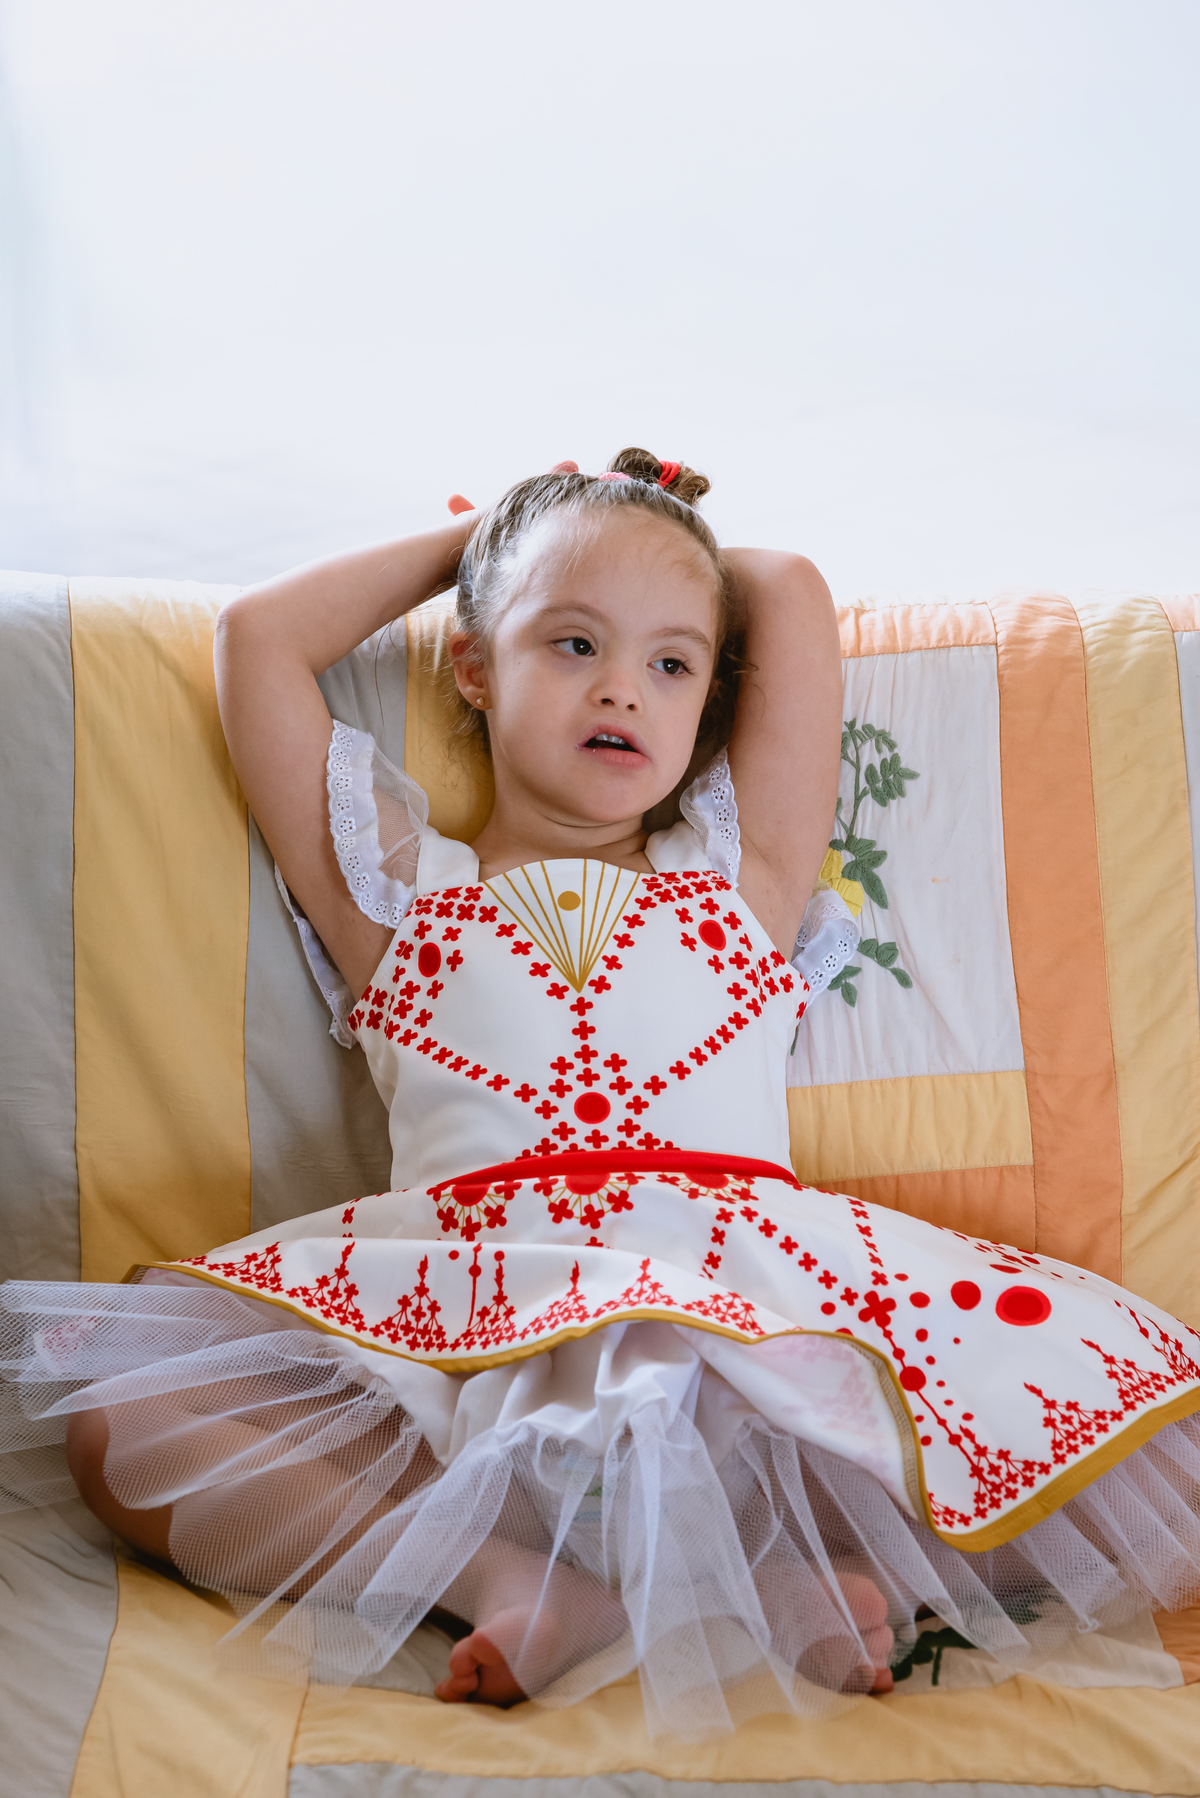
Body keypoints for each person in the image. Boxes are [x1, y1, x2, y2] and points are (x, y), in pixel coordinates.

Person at [6, 450, 1200, 1740]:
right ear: (474, 666)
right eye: (571, 644)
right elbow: (261, 639)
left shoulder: (742, 888)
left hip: (745, 1307)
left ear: (706, 708)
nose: (624, 685)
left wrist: (623, 531)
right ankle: (508, 1577)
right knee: (124, 1420)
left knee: (1117, 1449)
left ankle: (782, 1565)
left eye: (673, 664)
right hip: (467, 1315)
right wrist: (491, 538)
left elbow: (788, 591)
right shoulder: (401, 899)